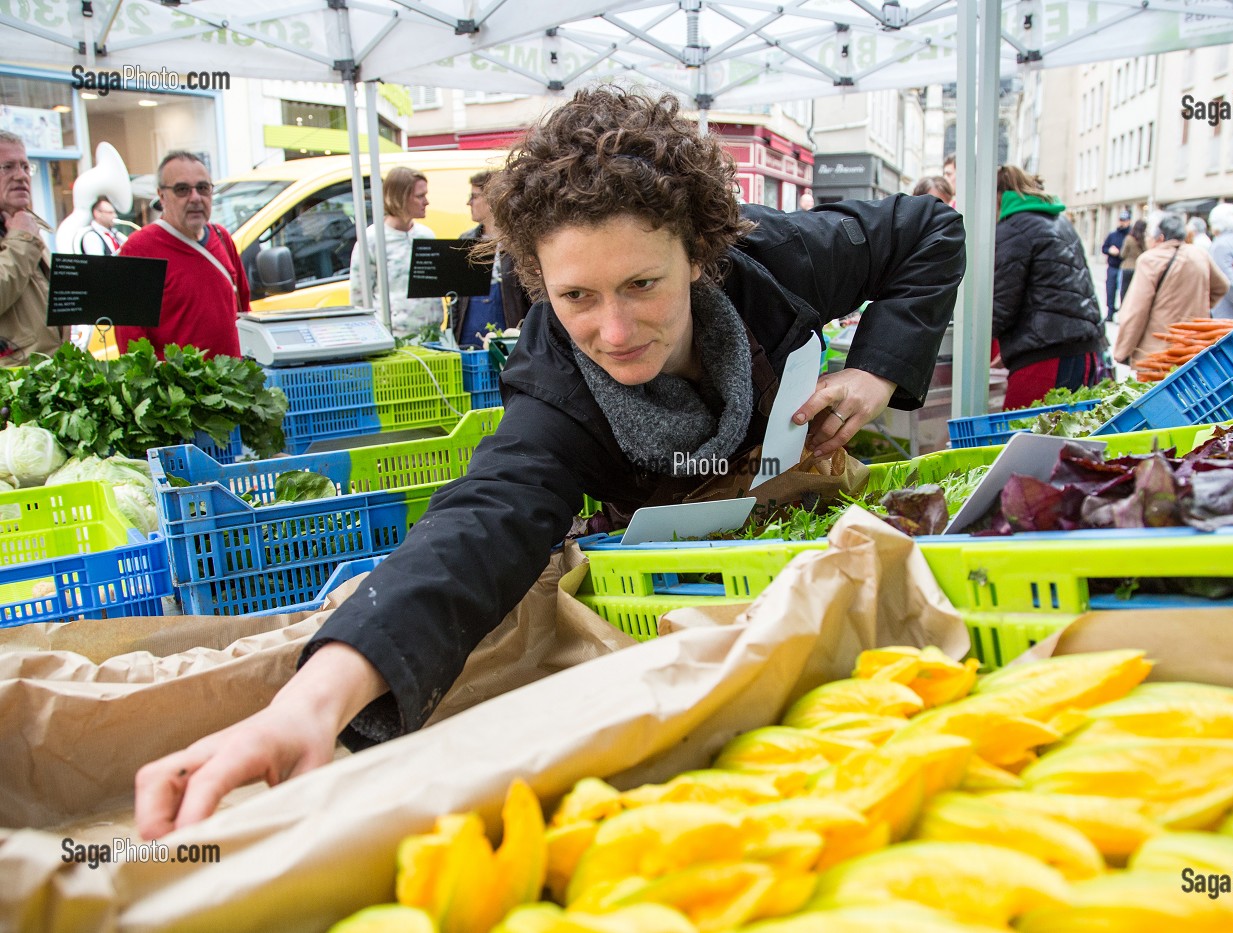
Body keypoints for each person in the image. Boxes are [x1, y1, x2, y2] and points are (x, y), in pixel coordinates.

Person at [133, 86, 966, 838]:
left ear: (698, 253)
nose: (612, 331)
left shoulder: (777, 257)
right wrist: (305, 707)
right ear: (540, 282)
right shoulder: (554, 388)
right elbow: (479, 526)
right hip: (676, 585)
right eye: (577, 297)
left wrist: (876, 369)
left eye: (643, 284)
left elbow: (930, 230)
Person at [991, 166, 1106, 410]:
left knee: (1022, 438)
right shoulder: (1058, 221)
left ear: (996, 196)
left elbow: (1000, 308)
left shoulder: (1012, 228)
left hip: (1046, 359)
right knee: (1068, 439)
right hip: (1083, 351)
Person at [114, 151, 246, 359]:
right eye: (182, 189)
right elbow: (131, 344)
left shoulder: (222, 238)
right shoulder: (139, 250)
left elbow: (243, 310)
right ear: (162, 196)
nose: (195, 198)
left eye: (203, 188)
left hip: (232, 385)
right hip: (177, 390)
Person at [1114, 212, 1228, 367]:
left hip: (1157, 350)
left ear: (1160, 237)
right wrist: (1199, 306)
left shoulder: (1150, 260)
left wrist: (1122, 351)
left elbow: (1137, 309)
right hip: (1193, 346)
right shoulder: (1199, 254)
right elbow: (1222, 286)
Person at [349, 166, 440, 336]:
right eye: (420, 196)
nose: (426, 202)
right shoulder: (373, 239)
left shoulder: (426, 235)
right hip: (393, 337)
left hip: (432, 336)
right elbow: (359, 298)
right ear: (400, 198)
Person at [0, 131, 66, 365]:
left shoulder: (25, 224)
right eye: (8, 167)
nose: (21, 176)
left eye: (26, 167)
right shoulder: (24, 232)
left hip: (47, 373)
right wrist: (22, 239)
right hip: (12, 384)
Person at [449, 170, 531, 345]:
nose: (468, 202)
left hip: (510, 333)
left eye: (474, 196)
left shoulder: (518, 242)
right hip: (469, 336)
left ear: (492, 199)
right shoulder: (466, 241)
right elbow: (456, 300)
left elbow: (531, 297)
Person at [1100, 210, 1132, 322]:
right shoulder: (1113, 235)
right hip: (1113, 266)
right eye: (1121, 220)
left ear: (1129, 221)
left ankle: (1122, 314)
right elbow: (1104, 248)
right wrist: (1109, 250)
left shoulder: (1131, 236)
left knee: (1124, 293)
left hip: (1124, 268)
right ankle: (1110, 313)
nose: (1122, 223)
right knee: (1110, 290)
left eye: (1125, 220)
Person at [1119, 219, 1146, 302]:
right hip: (1138, 268)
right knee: (1135, 292)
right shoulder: (1144, 240)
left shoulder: (1129, 239)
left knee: (1124, 291)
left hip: (1127, 267)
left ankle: (1123, 309)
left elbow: (1122, 254)